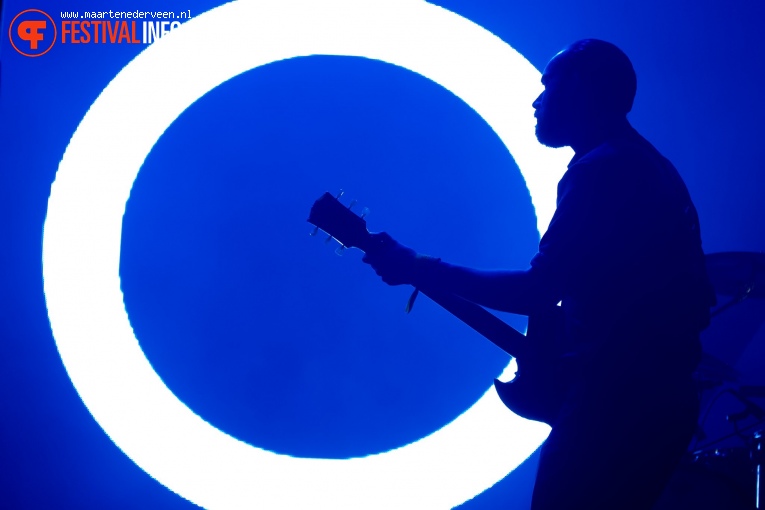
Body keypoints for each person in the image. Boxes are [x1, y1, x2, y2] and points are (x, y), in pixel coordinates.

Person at [361, 39, 716, 510]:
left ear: (581, 89)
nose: (536, 101)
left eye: (547, 85)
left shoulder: (603, 172)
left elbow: (540, 289)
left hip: (618, 402)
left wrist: (421, 267)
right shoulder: (646, 165)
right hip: (651, 399)